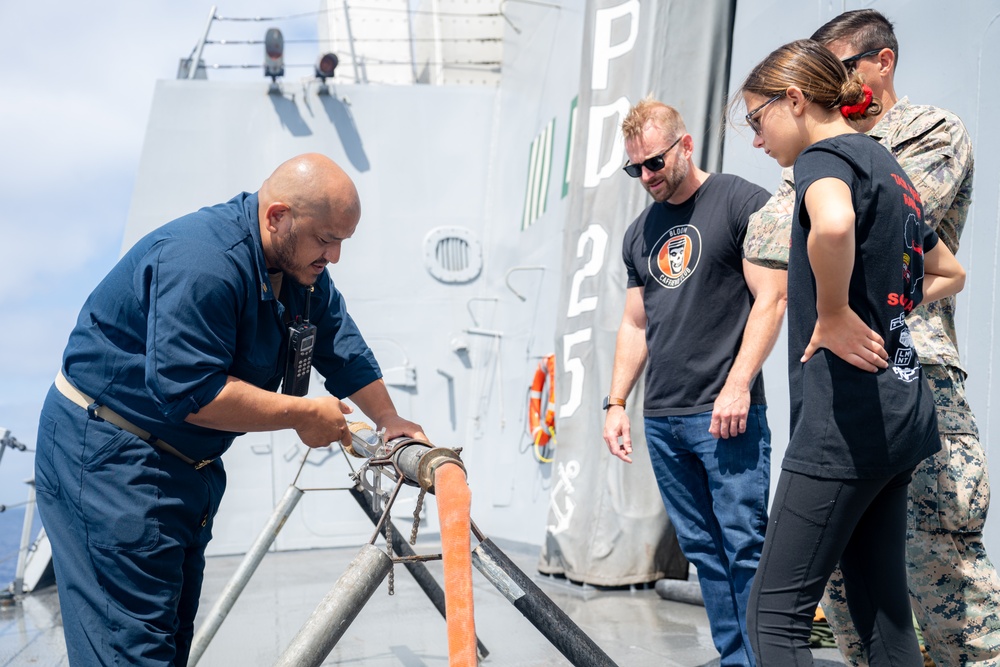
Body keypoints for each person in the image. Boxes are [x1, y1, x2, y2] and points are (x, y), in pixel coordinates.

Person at [34, 153, 425, 666]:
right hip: (110, 457)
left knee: (168, 637)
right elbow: (189, 390)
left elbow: (340, 344)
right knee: (131, 648)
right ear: (277, 216)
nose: (334, 256)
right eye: (326, 239)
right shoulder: (202, 263)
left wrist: (389, 421)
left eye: (342, 242)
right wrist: (301, 414)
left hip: (183, 469)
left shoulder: (298, 268)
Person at [745, 9, 1000, 666]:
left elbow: (828, 228)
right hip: (903, 405)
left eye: (756, 120)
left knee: (774, 613)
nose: (754, 139)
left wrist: (833, 311)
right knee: (881, 608)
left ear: (795, 99)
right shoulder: (882, 163)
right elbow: (949, 269)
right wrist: (888, 303)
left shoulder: (828, 158)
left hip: (847, 413)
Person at [602, 98, 786, 667]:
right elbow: (635, 324)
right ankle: (737, 660)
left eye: (654, 163)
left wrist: (738, 385)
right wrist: (615, 404)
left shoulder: (739, 201)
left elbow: (771, 300)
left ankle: (766, 660)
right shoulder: (639, 234)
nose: (646, 177)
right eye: (635, 169)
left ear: (684, 145)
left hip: (724, 413)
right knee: (704, 553)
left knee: (745, 547)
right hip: (662, 418)